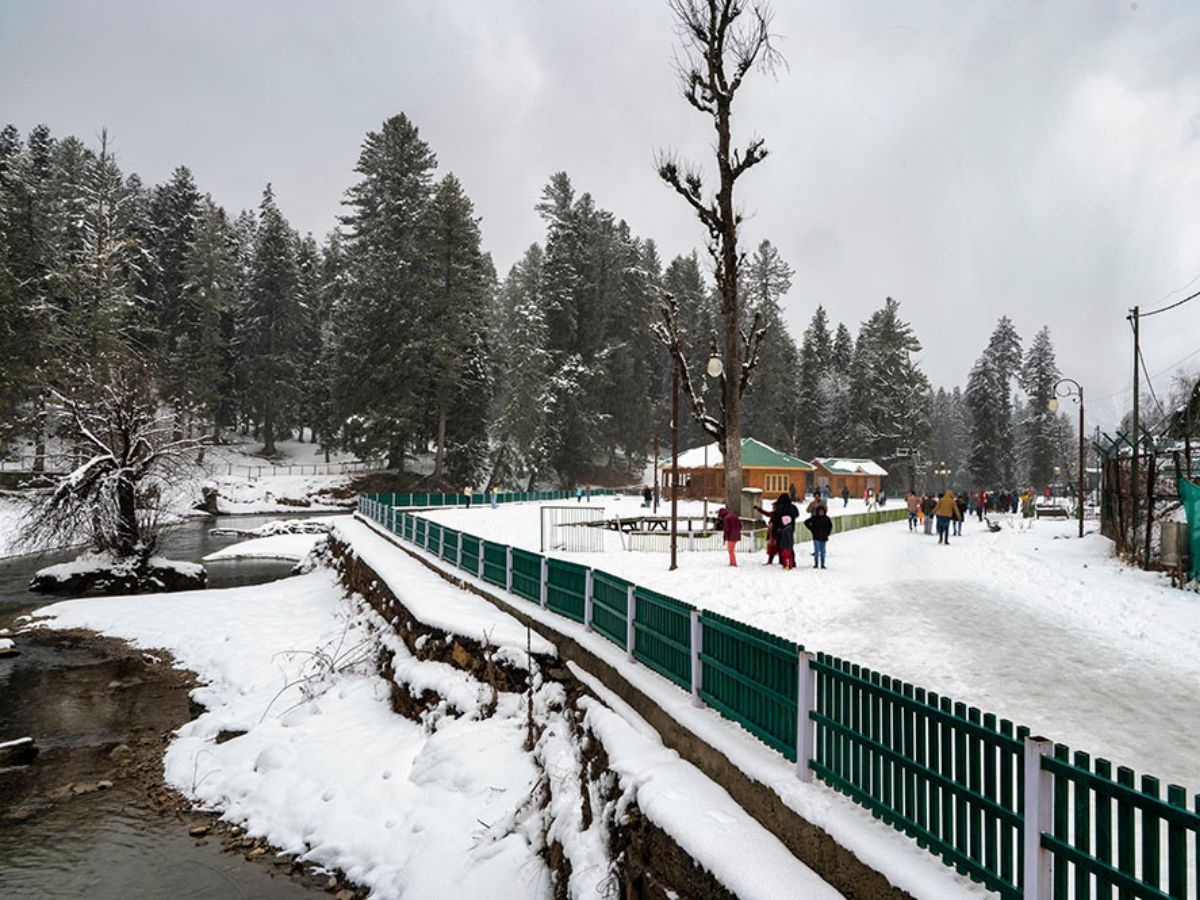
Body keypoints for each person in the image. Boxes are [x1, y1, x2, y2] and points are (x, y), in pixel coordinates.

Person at [804, 503, 833, 569]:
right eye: (820, 512)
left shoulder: (827, 519)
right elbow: (806, 522)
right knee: (816, 551)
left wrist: (828, 533)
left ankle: (823, 564)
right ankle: (816, 564)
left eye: (822, 512)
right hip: (816, 537)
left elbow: (830, 526)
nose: (821, 513)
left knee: (823, 552)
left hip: (824, 537)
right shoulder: (814, 518)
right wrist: (812, 529)